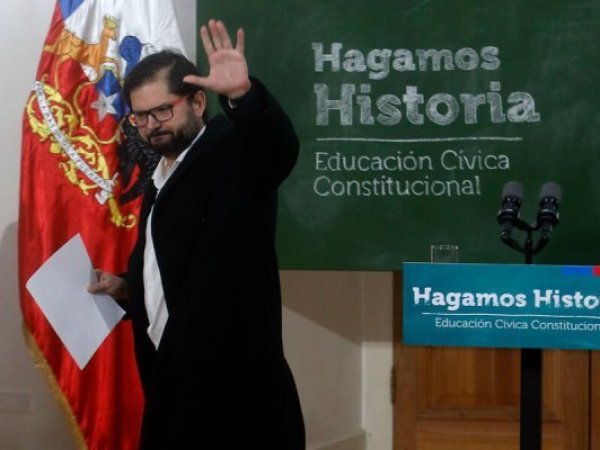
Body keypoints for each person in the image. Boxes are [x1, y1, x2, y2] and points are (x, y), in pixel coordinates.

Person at [88, 19, 305, 449]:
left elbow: (277, 151)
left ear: (198, 102)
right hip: (174, 391)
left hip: (238, 405)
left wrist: (243, 96)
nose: (152, 125)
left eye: (162, 110)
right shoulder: (162, 176)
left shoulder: (232, 154)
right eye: (140, 116)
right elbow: (185, 272)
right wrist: (127, 288)